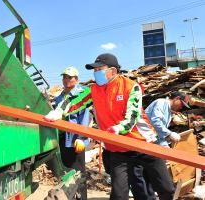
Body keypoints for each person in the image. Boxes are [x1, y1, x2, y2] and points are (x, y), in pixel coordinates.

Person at [44, 53, 175, 200]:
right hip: (117, 150)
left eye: (99, 69)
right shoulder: (94, 90)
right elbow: (76, 102)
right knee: (119, 195)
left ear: (112, 71)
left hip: (144, 145)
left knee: (166, 189)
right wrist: (59, 111)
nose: (96, 73)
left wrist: (118, 129)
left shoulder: (131, 87)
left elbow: (132, 117)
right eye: (94, 70)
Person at [55, 66, 90, 200]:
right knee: (67, 172)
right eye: (64, 77)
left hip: (76, 140)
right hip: (63, 139)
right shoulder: (59, 98)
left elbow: (85, 118)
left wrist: (82, 137)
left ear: (76, 79)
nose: (66, 80)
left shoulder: (81, 95)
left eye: (69, 77)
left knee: (79, 173)